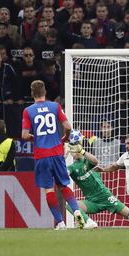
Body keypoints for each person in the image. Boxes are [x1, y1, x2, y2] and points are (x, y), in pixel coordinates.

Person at [21, 80, 84, 230]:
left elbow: (23, 135)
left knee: (49, 189)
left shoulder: (28, 110)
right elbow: (68, 126)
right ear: (45, 92)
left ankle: (60, 223)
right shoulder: (55, 106)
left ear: (32, 94)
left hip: (41, 155)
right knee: (63, 185)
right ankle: (76, 211)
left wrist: (35, 137)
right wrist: (66, 138)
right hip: (57, 152)